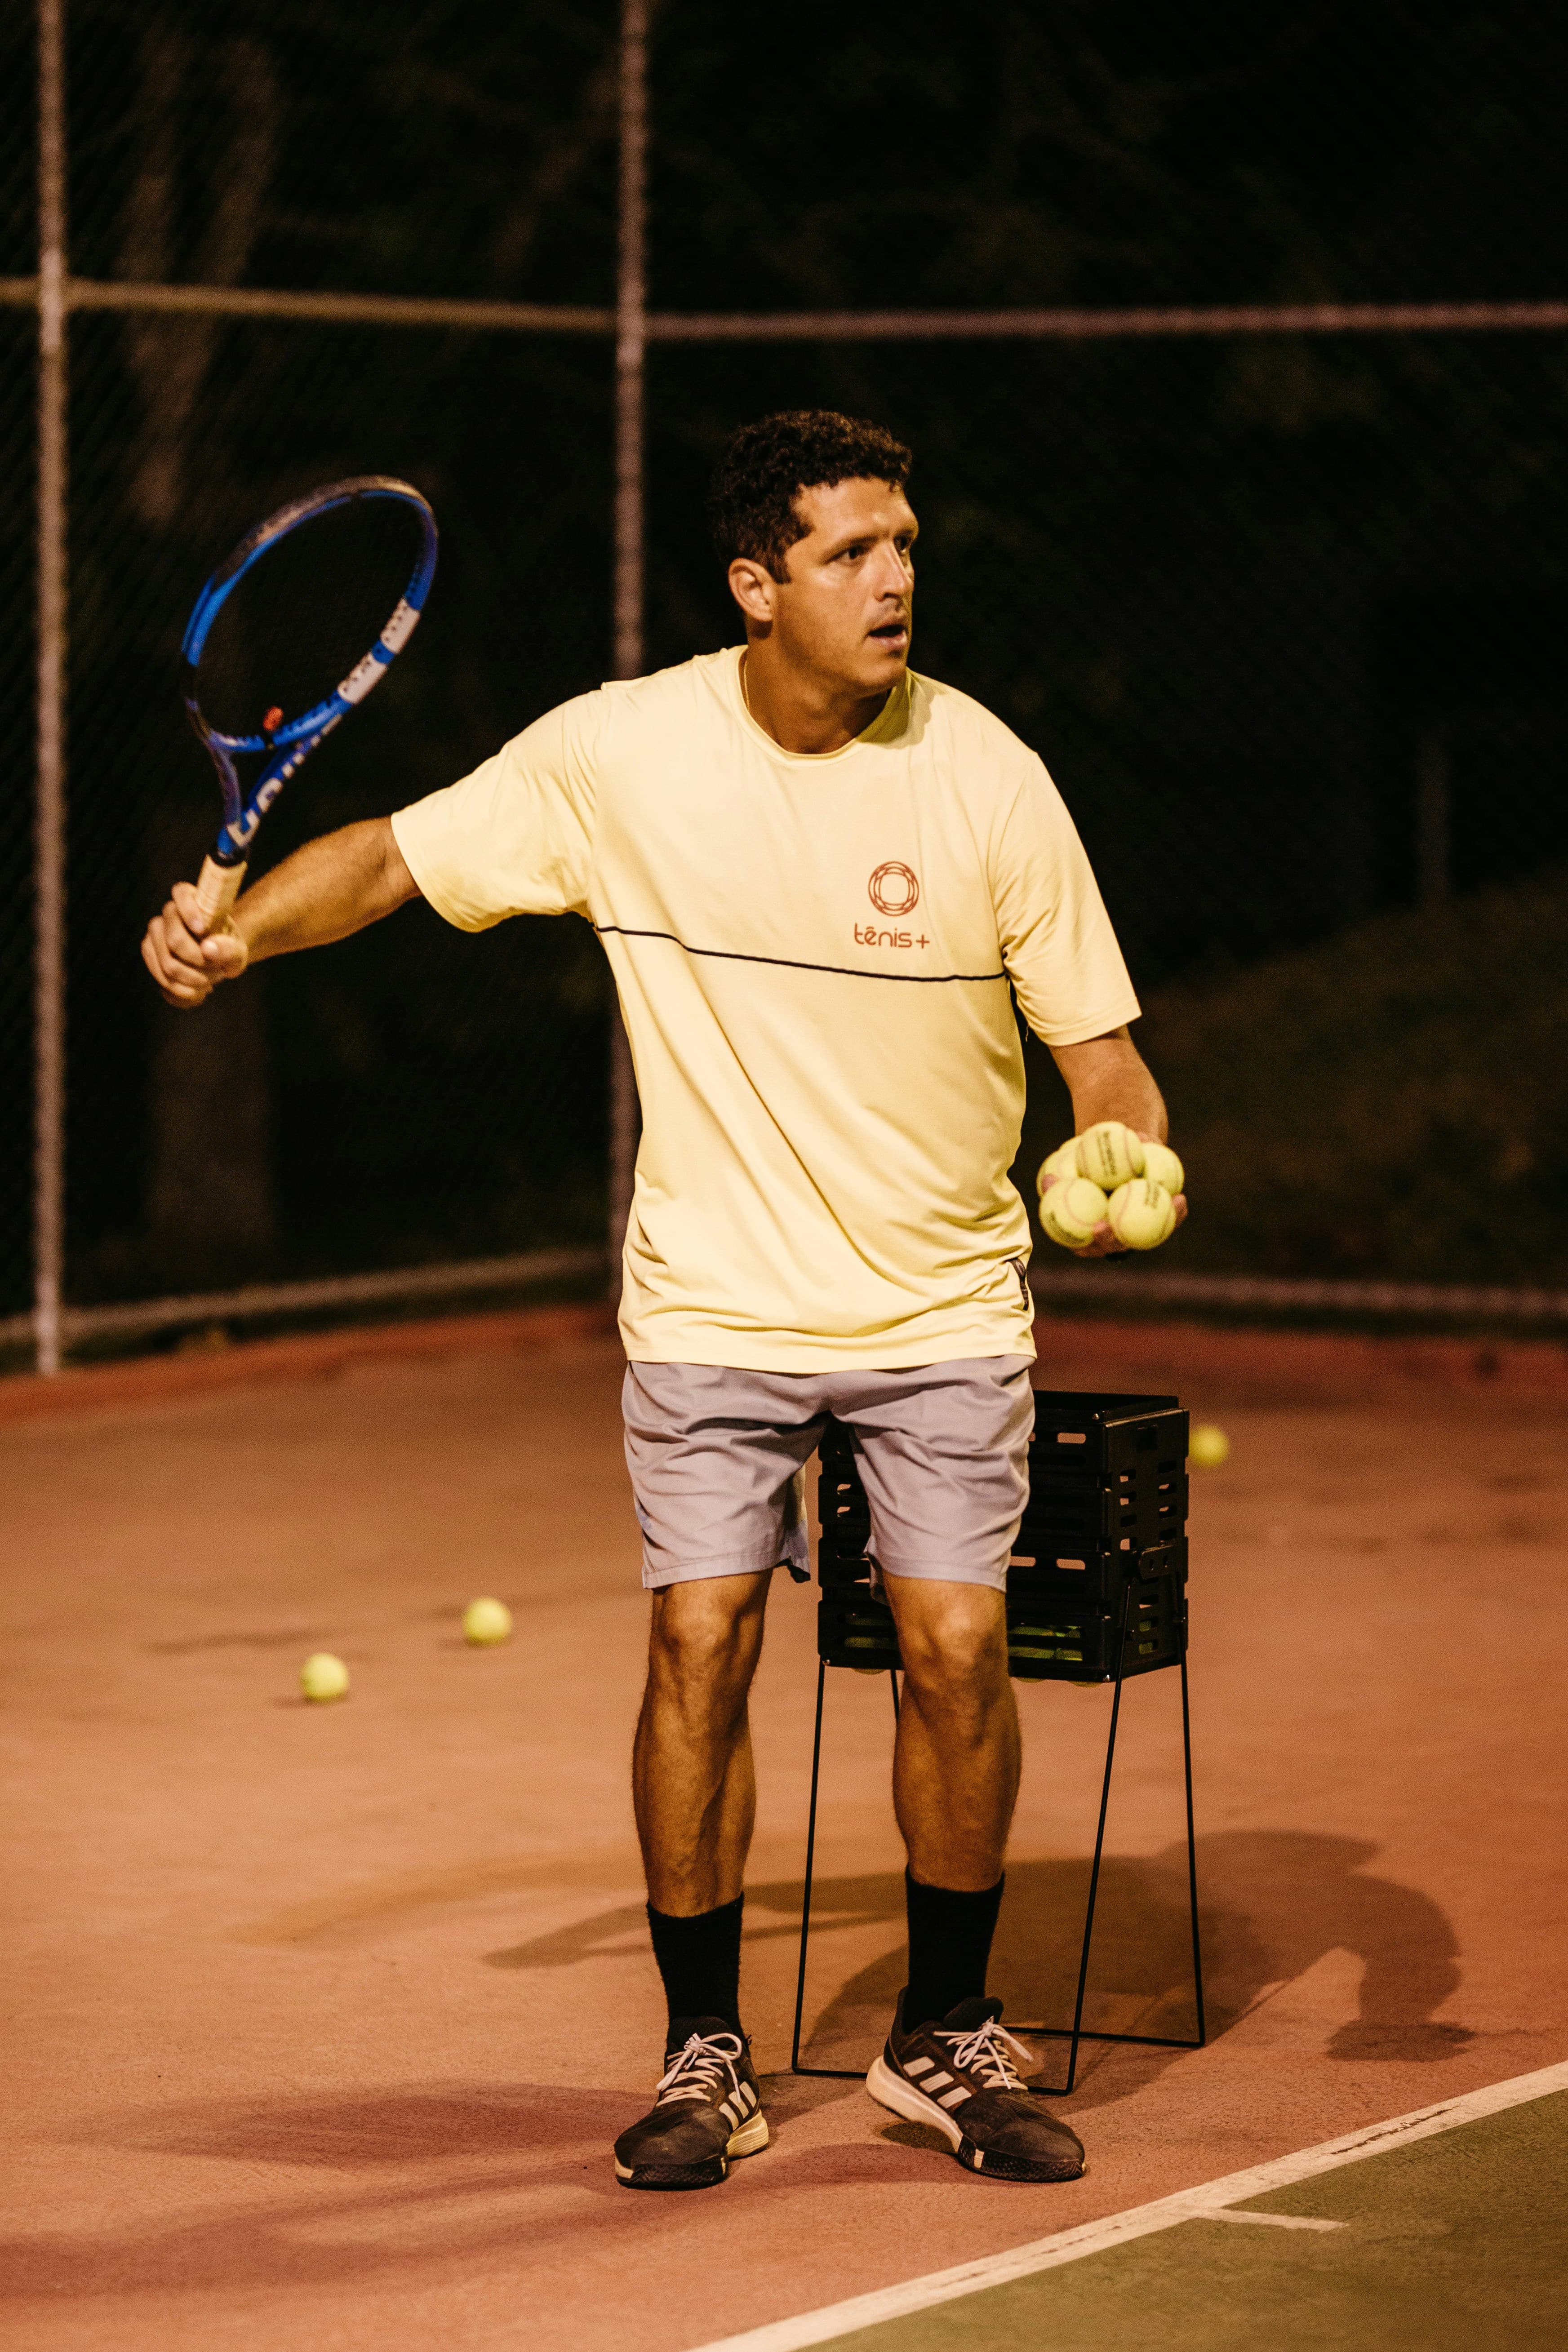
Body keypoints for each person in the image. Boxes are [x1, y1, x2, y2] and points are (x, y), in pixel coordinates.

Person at [143, 409, 1183, 2193]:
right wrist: (242, 936)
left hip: (938, 1306)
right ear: (754, 584)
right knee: (699, 1647)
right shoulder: (626, 757)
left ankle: (943, 2033)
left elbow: (1106, 1058)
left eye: (908, 545)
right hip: (709, 1303)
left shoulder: (987, 775)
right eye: (855, 552)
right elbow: (395, 852)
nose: (896, 577)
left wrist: (1117, 1150)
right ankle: (709, 2049)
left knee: (952, 1650)